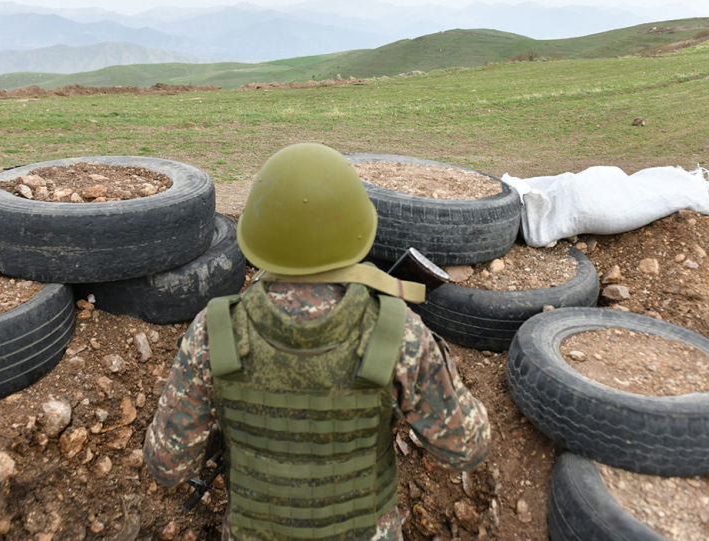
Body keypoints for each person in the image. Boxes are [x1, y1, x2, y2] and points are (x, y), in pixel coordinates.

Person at [144, 142, 491, 540]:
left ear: (257, 237)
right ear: (358, 232)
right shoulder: (397, 333)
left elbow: (166, 465)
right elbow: (468, 446)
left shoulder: (214, 332)